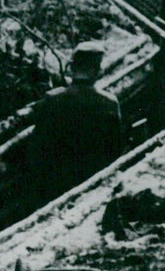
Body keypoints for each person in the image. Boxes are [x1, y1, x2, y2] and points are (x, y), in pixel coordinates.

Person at [28, 41, 123, 202]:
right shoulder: (109, 103)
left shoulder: (53, 99)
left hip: (55, 185)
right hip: (93, 185)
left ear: (72, 68)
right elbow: (116, 147)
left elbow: (38, 146)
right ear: (98, 71)